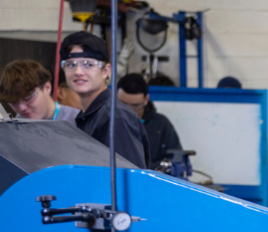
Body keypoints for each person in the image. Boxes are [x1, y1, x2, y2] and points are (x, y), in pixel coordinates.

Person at [60, 31, 149, 168]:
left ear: (106, 71)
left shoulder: (116, 118)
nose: (78, 72)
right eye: (71, 64)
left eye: (88, 64)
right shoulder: (88, 116)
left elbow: (129, 183)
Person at [118, 73, 183, 168]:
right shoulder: (106, 122)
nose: (128, 110)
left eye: (135, 105)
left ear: (146, 100)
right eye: (122, 104)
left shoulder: (161, 125)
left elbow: (176, 162)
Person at [0, 59, 80, 123]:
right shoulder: (17, 124)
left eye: (28, 98)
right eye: (14, 102)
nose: (22, 108)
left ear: (47, 87)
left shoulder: (77, 121)